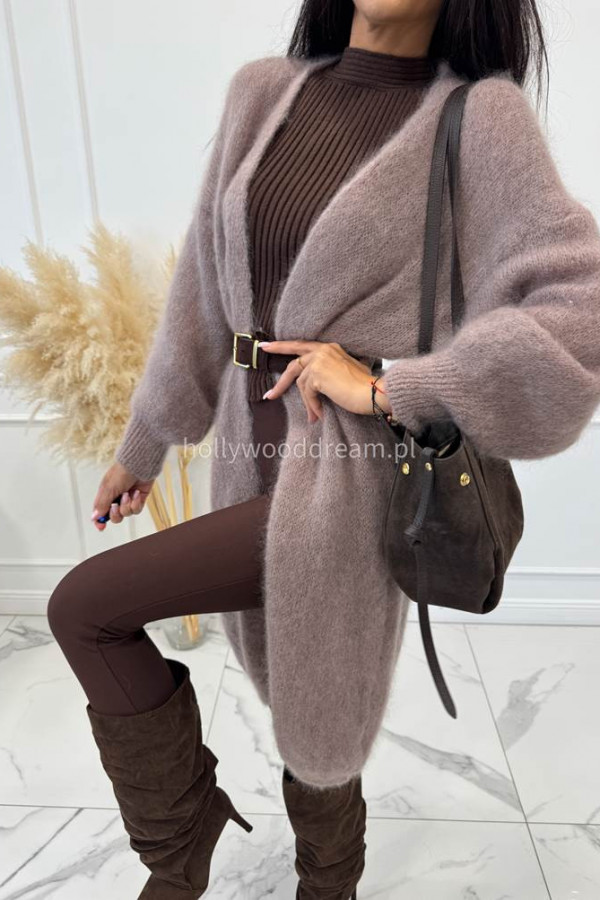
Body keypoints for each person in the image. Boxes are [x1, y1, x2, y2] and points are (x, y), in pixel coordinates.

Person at [47, 1, 600, 898]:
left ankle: (185, 852)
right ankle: (325, 875)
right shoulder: (262, 93)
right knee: (305, 693)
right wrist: (145, 443)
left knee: (88, 609)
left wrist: (391, 387)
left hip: (352, 475)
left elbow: (580, 317)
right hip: (249, 453)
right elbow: (201, 291)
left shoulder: (480, 119)